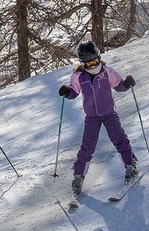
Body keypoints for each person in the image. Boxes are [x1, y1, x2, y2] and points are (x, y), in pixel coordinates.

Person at [57, 40, 138, 197]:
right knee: (87, 147)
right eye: (89, 64)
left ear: (99, 58)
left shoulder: (107, 72)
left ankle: (130, 165)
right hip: (92, 117)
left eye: (95, 61)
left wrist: (127, 84)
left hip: (109, 114)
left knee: (120, 139)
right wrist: (66, 92)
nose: (93, 66)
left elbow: (118, 85)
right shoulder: (79, 76)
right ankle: (78, 176)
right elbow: (73, 91)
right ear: (82, 63)